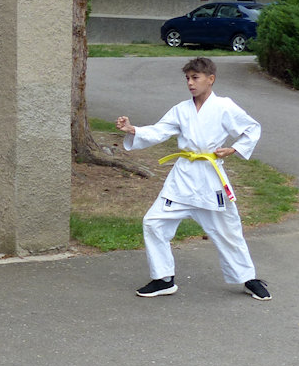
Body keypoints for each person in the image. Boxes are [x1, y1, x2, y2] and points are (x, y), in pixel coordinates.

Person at [115, 57, 271, 301]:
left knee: (228, 230)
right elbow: (160, 130)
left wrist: (233, 149)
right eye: (187, 78)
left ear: (211, 79)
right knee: (154, 222)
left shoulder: (224, 106)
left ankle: (248, 278)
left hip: (210, 179)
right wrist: (133, 130)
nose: (190, 83)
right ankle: (163, 279)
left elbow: (251, 128)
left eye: (195, 78)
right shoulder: (181, 109)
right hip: (183, 179)